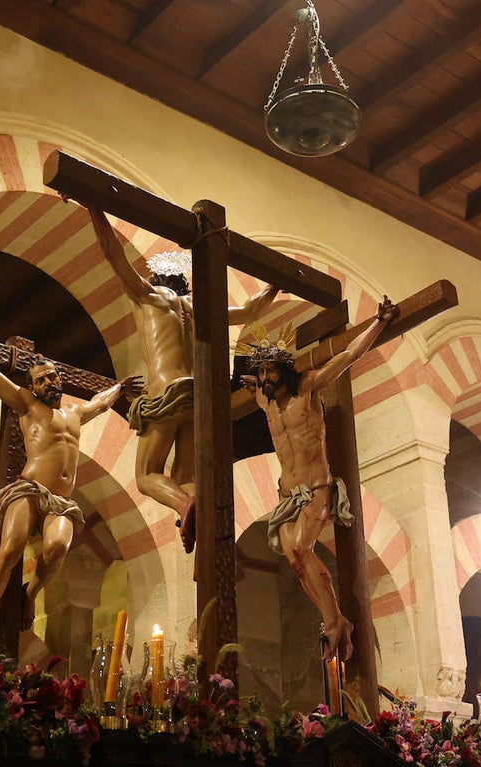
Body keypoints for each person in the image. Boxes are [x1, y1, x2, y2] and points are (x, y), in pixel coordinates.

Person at [0, 305, 140, 644]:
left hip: (61, 501)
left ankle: (30, 593)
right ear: (32, 386)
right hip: (29, 489)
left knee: (57, 548)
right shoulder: (27, 405)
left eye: (52, 376)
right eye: (41, 379)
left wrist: (118, 388)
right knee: (10, 548)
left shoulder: (75, 413)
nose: (48, 382)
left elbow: (101, 402)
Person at [90, 208, 278, 552]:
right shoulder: (198, 309)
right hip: (198, 397)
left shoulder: (147, 295)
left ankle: (184, 504)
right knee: (186, 476)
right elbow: (251, 311)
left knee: (147, 476)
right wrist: (275, 282)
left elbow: (112, 253)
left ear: (157, 280)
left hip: (167, 391)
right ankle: (202, 525)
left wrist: (94, 207)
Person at [239, 297, 399, 661]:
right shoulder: (265, 402)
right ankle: (335, 619)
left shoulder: (307, 387)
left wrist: (379, 323)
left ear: (285, 369)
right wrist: (253, 382)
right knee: (296, 561)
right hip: (287, 495)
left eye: (269, 371)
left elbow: (349, 356)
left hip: (316, 487)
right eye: (260, 373)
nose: (264, 379)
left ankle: (333, 622)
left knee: (301, 549)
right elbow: (256, 386)